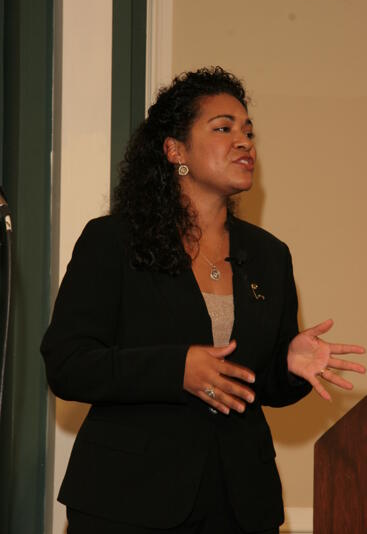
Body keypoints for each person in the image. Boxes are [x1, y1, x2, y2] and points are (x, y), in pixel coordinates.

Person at [41, 67, 365, 534]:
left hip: (239, 504)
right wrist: (178, 370)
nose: (244, 142)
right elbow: (67, 363)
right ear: (175, 151)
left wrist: (288, 365)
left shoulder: (270, 255)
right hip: (128, 501)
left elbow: (258, 385)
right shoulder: (114, 241)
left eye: (249, 131)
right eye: (224, 128)